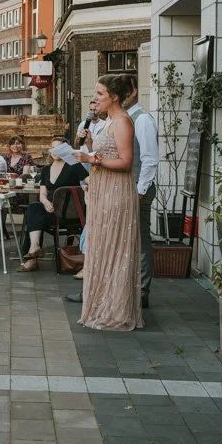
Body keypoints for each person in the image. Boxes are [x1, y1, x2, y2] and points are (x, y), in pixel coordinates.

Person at [66, 74, 143, 332]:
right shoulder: (108, 121)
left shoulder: (122, 122)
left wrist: (91, 159)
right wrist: (89, 144)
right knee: (100, 245)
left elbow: (126, 162)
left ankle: (116, 309)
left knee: (114, 246)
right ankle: (101, 304)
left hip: (116, 191)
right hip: (102, 189)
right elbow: (104, 153)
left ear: (115, 97)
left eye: (100, 93)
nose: (95, 98)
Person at [18, 137, 88, 272]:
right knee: (34, 209)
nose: (55, 151)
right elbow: (42, 194)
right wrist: (45, 202)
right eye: (53, 148)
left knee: (33, 216)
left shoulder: (74, 166)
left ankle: (32, 259)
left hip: (68, 213)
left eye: (59, 148)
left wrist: (86, 187)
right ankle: (34, 247)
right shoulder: (45, 170)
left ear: (66, 150)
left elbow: (89, 180)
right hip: (50, 210)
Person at [122, 73, 159, 309]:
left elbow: (149, 158)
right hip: (127, 188)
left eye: (121, 93)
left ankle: (143, 290)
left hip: (138, 188)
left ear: (133, 91)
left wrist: (141, 190)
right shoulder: (123, 119)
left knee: (141, 239)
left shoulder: (142, 119)